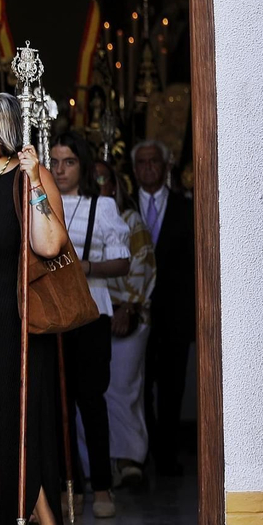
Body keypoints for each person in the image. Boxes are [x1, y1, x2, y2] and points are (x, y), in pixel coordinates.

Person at [0, 94, 71, 525]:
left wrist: (34, 180)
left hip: (14, 321)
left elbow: (49, 242)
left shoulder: (24, 176)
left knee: (17, 427)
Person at [50, 131, 131, 520]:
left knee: (90, 400)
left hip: (93, 310)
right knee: (57, 403)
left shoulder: (103, 206)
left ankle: (101, 487)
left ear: (82, 166)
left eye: (68, 162)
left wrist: (87, 267)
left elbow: (123, 262)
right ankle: (71, 486)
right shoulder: (40, 201)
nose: (60, 169)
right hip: (53, 313)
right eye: (55, 161)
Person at [132, 138, 195, 476]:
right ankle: (143, 454)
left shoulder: (186, 208)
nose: (148, 168)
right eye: (141, 162)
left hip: (175, 314)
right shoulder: (123, 207)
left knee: (172, 387)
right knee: (138, 386)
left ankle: (167, 456)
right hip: (135, 313)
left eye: (154, 161)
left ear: (166, 165)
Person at [98, 160, 155, 489]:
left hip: (127, 313)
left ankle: (131, 459)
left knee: (123, 389)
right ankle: (100, 464)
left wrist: (129, 308)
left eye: (105, 180)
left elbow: (143, 266)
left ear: (116, 186)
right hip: (96, 312)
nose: (100, 186)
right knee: (95, 393)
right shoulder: (83, 213)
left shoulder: (130, 220)